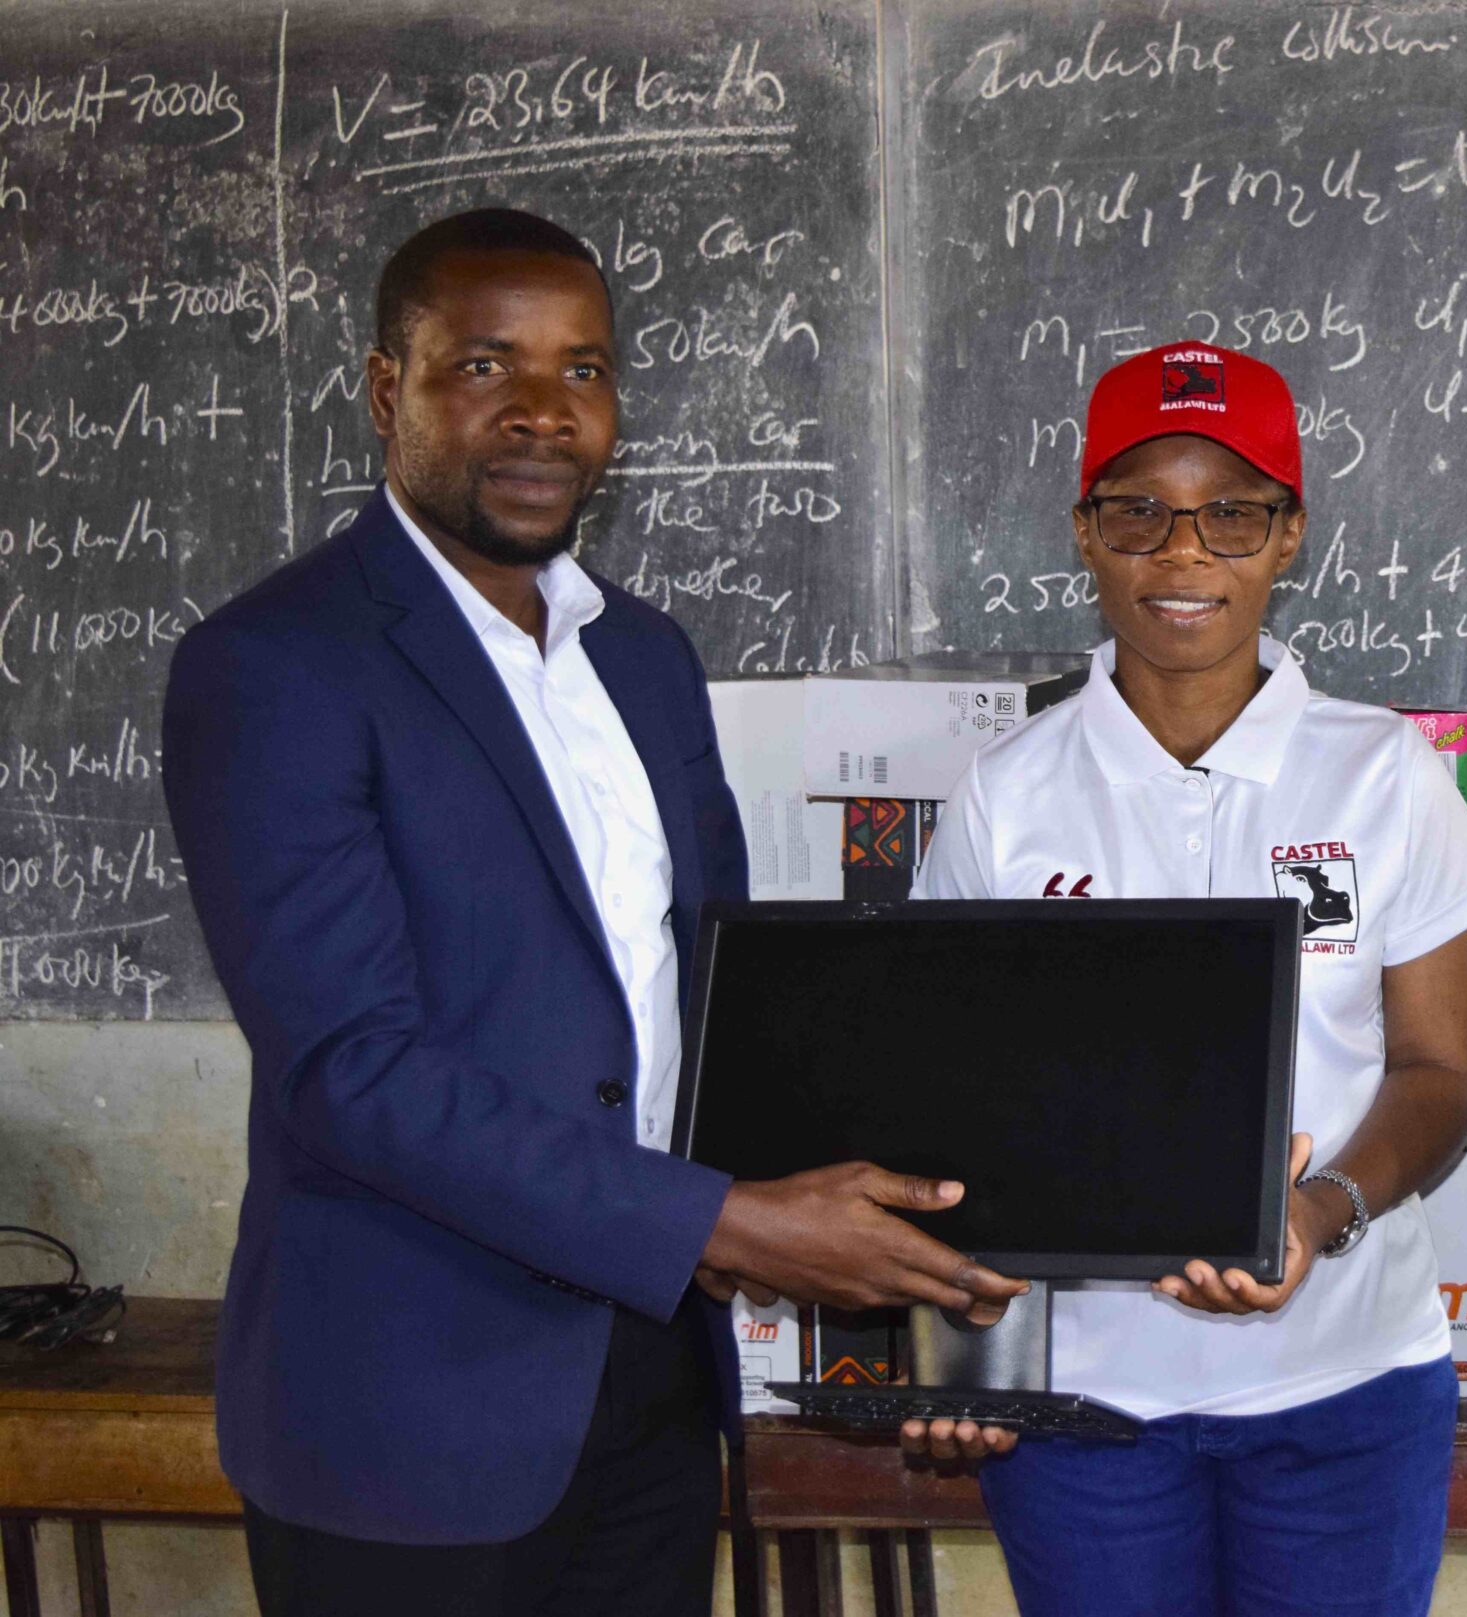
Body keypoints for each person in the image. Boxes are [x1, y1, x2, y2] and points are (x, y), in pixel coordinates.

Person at [161, 207, 1024, 1617]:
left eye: (585, 370)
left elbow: (721, 1000)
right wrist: (724, 1227)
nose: (543, 413)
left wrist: (924, 1240)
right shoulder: (277, 667)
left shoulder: (643, 657)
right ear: (390, 391)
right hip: (413, 1422)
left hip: (651, 1394)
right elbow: (351, 1073)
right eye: (487, 365)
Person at [903, 341, 1467, 1616]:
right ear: (1084, 533)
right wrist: (968, 1364)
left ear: (1288, 537)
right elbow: (950, 1106)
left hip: (1345, 1389)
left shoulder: (1384, 774)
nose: (1183, 554)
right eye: (1140, 512)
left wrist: (1318, 1211)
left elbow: (1444, 1072)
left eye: (1231, 513)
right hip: (1085, 1411)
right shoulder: (1007, 795)